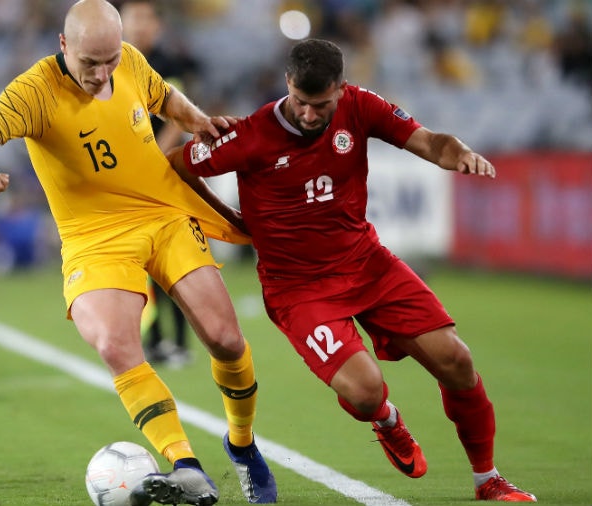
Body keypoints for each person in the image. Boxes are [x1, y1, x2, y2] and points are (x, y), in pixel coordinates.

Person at [167, 38, 536, 502]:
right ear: (288, 84)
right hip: (298, 291)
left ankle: (489, 481)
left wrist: (457, 152)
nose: (308, 114)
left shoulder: (361, 107)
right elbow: (176, 166)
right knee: (365, 391)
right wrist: (229, 223)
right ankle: (386, 420)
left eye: (320, 105)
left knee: (457, 362)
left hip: (368, 265)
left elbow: (426, 140)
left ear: (341, 89)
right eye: (300, 102)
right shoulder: (251, 135)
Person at [0, 1, 277, 504]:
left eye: (110, 61)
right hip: (94, 237)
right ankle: (186, 465)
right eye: (90, 63)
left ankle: (243, 446)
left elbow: (164, 95)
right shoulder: (34, 91)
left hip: (163, 214)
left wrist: (196, 121)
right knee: (113, 344)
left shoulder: (127, 59)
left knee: (226, 340)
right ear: (63, 45)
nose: (103, 73)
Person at [119, 0, 193, 368]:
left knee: (174, 257)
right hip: (128, 178)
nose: (141, 24)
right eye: (134, 17)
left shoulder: (166, 63)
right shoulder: (109, 64)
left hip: (162, 173)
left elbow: (177, 115)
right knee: (138, 262)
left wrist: (154, 156)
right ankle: (152, 340)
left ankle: (180, 341)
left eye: (147, 17)